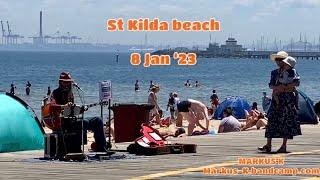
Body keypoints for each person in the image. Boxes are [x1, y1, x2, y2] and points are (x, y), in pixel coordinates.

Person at [49, 72, 109, 152]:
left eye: (69, 82)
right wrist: (64, 106)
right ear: (60, 82)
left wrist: (81, 109)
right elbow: (52, 106)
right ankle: (77, 149)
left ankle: (102, 148)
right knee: (83, 122)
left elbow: (72, 112)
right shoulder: (55, 93)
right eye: (65, 82)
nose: (67, 84)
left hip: (73, 120)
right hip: (64, 124)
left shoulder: (71, 94)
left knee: (98, 120)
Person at [258, 51, 301, 153]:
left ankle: (284, 145)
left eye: (280, 59)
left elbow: (297, 82)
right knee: (272, 119)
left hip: (288, 99)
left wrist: (285, 87)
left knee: (286, 120)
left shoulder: (292, 71)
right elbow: (271, 85)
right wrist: (279, 87)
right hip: (278, 97)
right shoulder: (274, 72)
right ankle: (268, 144)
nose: (278, 61)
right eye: (276, 59)